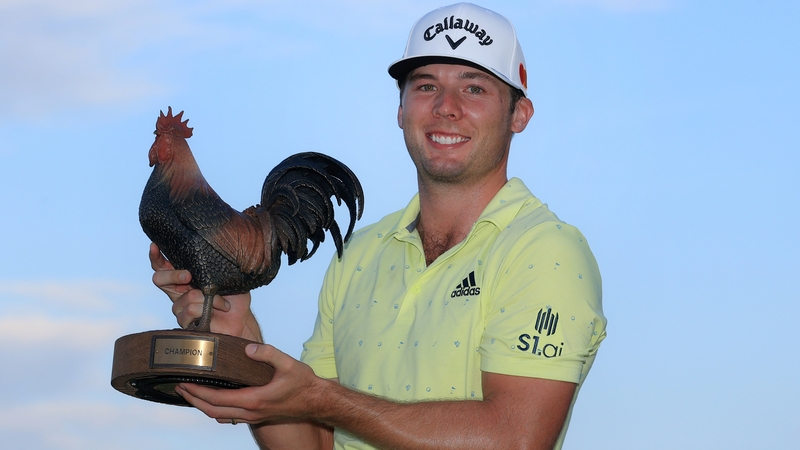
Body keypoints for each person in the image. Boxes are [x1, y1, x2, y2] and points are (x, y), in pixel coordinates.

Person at [150, 3, 606, 449]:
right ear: (401, 110)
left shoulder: (546, 251)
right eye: (425, 86)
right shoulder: (359, 254)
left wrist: (323, 399)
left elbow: (515, 438)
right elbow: (314, 442)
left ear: (519, 115)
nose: (446, 107)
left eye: (474, 88)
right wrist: (243, 337)